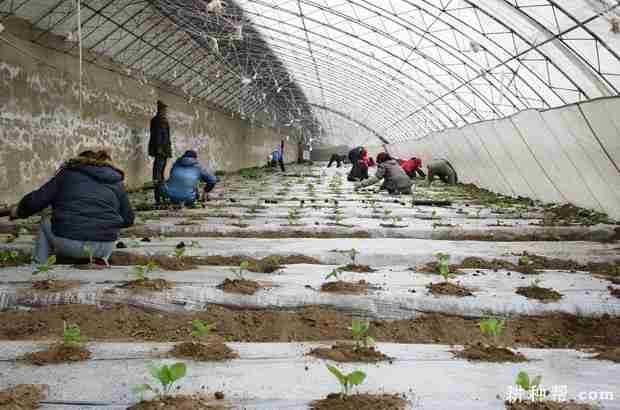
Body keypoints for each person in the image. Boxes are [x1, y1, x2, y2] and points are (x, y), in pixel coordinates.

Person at [9, 150, 134, 264]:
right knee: (112, 229)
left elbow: (36, 201)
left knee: (46, 220)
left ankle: (39, 264)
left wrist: (18, 211)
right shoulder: (116, 181)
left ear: (79, 161)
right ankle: (99, 261)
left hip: (69, 244)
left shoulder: (67, 174)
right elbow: (128, 219)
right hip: (104, 247)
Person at [149, 100, 172, 204]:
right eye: (165, 110)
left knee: (159, 175)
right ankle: (159, 197)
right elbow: (159, 136)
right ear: (161, 110)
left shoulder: (158, 119)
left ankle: (160, 197)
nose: (166, 112)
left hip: (162, 151)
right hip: (161, 151)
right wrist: (160, 149)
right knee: (158, 175)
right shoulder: (160, 120)